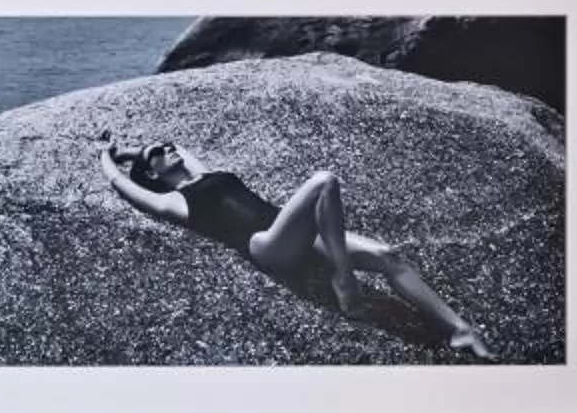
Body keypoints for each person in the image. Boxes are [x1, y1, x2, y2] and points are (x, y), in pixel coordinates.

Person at [99, 136, 491, 359]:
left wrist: (134, 150)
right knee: (323, 181)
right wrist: (106, 156)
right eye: (159, 153)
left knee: (389, 255)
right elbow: (122, 185)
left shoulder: (203, 172)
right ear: (154, 173)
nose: (171, 149)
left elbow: (174, 141)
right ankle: (345, 280)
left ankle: (459, 330)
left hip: (293, 230)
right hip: (266, 246)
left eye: (167, 146)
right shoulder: (175, 201)